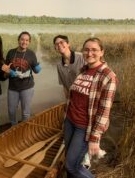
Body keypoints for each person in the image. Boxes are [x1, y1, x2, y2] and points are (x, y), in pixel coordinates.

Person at [64, 37, 117, 178]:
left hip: (84, 127)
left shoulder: (108, 76)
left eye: (94, 50)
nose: (89, 53)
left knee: (71, 165)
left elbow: (104, 110)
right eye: (86, 50)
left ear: (102, 52)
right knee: (70, 161)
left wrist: (95, 138)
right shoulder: (83, 70)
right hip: (69, 121)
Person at [2, 31, 41, 125]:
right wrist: (8, 72)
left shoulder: (31, 54)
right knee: (11, 111)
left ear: (29, 42)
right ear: (18, 40)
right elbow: (6, 70)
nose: (24, 42)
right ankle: (14, 129)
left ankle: (24, 132)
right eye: (22, 39)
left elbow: (36, 70)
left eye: (27, 40)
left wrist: (37, 68)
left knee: (26, 113)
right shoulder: (11, 52)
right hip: (13, 87)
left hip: (27, 87)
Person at [53, 35, 85, 100]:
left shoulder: (81, 57)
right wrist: (67, 100)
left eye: (62, 42)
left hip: (85, 97)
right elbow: (64, 86)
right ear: (55, 48)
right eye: (56, 44)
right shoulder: (59, 65)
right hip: (72, 98)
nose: (59, 45)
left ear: (68, 44)